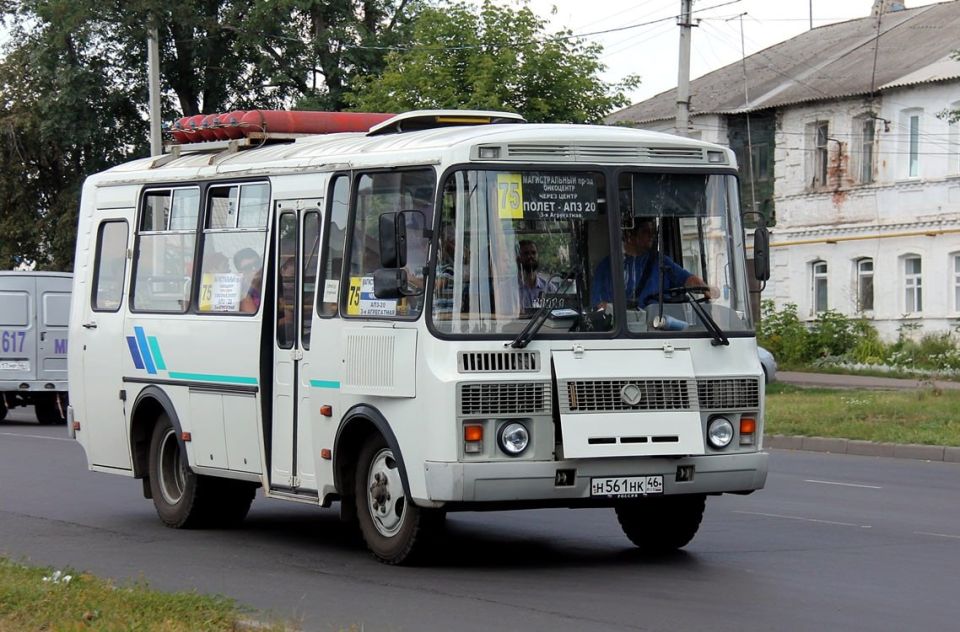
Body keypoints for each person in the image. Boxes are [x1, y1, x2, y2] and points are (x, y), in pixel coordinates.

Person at [591, 219, 716, 310]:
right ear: (630, 235)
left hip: (659, 327)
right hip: (625, 332)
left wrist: (706, 288)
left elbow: (686, 279)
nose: (651, 235)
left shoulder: (660, 261)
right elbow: (600, 305)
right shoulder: (607, 267)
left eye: (653, 231)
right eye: (646, 231)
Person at [517, 240, 557, 311]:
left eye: (533, 253)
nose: (530, 256)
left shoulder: (549, 288)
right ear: (518, 258)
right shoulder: (508, 289)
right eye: (526, 253)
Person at [234, 247, 262, 313]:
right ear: (241, 272)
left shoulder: (270, 282)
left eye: (256, 264)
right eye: (248, 267)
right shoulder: (244, 293)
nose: (254, 269)